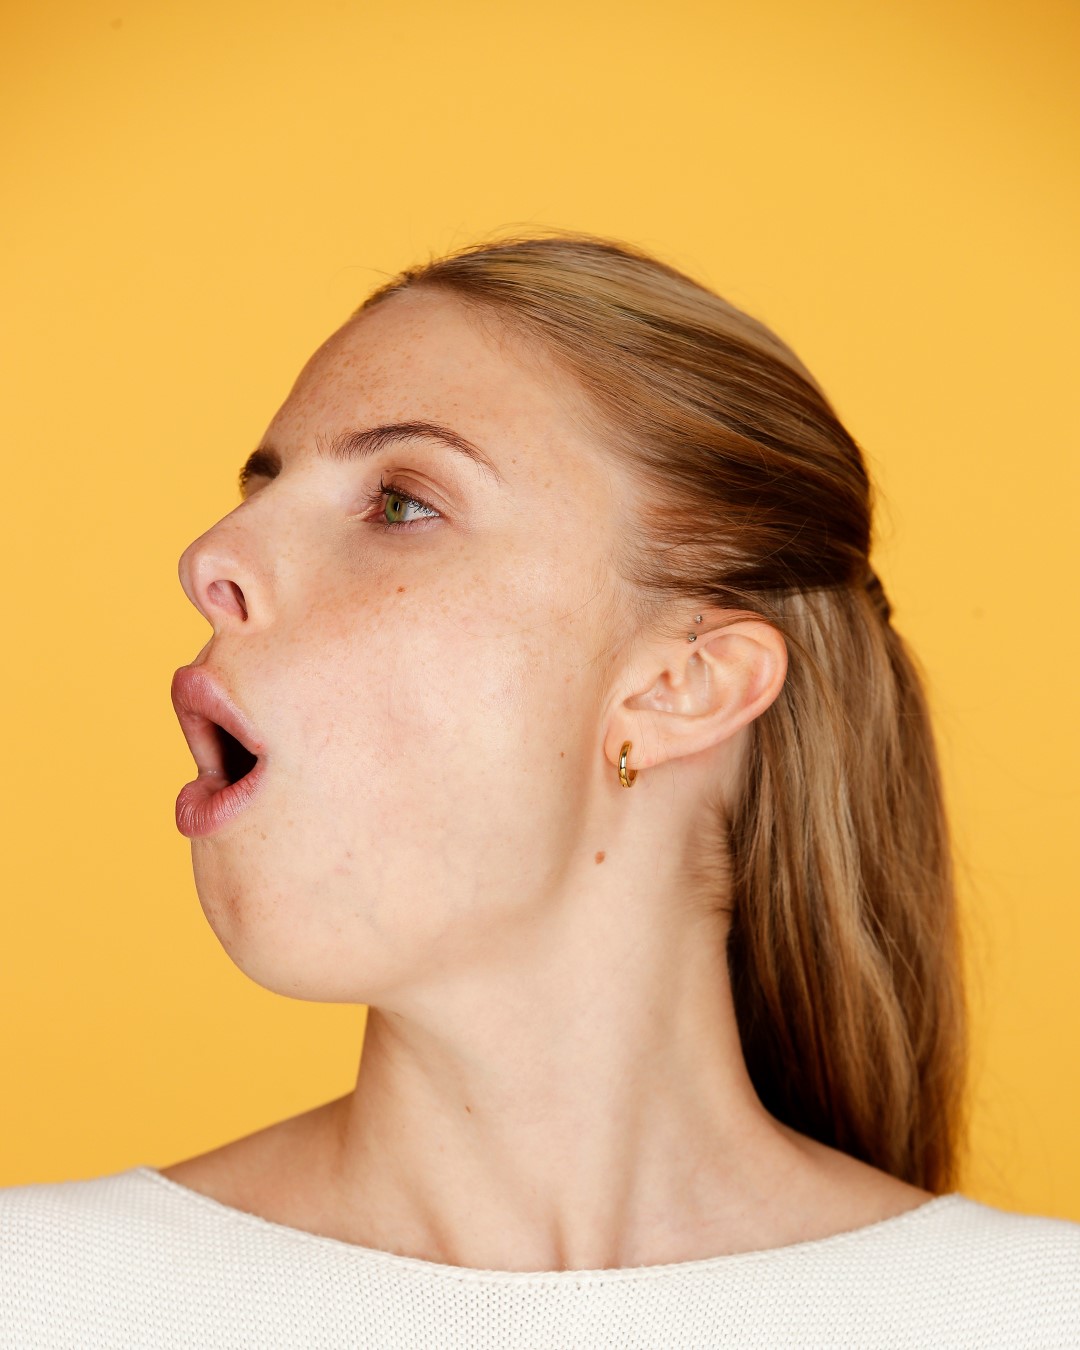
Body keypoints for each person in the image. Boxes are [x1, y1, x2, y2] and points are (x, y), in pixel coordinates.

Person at [2, 231, 1077, 1347]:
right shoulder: (36, 1299)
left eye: (402, 502)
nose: (208, 555)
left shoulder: (1036, 1318)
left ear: (682, 684)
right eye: (258, 490)